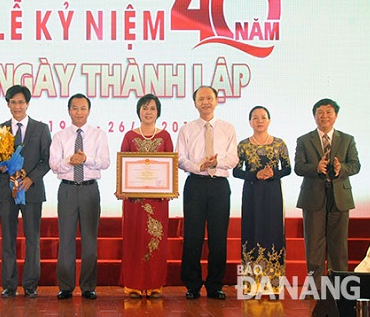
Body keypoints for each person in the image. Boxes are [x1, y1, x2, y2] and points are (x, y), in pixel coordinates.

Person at [176, 86, 238, 300]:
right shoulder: (186, 129)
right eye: (201, 98)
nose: (205, 102)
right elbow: (180, 159)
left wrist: (216, 162)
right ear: (195, 103)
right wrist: (199, 166)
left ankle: (215, 285)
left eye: (209, 98)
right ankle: (192, 285)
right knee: (192, 236)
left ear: (216, 101)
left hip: (219, 185)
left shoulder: (227, 128)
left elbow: (234, 158)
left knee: (218, 237)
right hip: (195, 184)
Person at [49, 93, 110, 300]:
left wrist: (86, 159)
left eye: (83, 108)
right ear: (68, 111)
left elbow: (105, 162)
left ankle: (88, 286)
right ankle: (65, 286)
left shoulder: (98, 135)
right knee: (65, 239)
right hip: (66, 189)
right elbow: (54, 165)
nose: (79, 112)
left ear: (89, 111)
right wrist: (70, 160)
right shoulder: (59, 136)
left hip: (89, 190)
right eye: (75, 108)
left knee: (90, 240)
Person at [295, 98, 360, 289]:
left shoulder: (347, 139)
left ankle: (339, 288)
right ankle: (314, 288)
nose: (324, 116)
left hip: (340, 197)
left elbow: (355, 165)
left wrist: (342, 169)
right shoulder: (304, 140)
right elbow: (299, 167)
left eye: (329, 112)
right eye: (320, 112)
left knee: (339, 246)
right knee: (313, 245)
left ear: (336, 116)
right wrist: (315, 168)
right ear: (314, 116)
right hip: (313, 197)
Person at [115, 94, 174, 299]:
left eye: (152, 109)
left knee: (155, 239)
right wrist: (121, 187)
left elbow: (170, 168)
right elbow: (122, 166)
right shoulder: (129, 136)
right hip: (134, 201)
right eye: (144, 108)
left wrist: (169, 188)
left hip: (158, 200)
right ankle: (133, 285)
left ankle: (155, 284)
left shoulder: (165, 136)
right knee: (135, 239)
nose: (148, 112)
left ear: (158, 112)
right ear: (138, 111)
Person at [0, 85, 52, 298]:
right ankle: (9, 285)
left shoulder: (40, 128)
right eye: (13, 102)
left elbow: (46, 160)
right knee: (8, 239)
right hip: (6, 192)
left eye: (21, 102)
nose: (17, 106)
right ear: (8, 104)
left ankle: (30, 285)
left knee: (32, 239)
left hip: (32, 191)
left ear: (27, 104)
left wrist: (30, 178)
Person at [233, 106, 291, 296]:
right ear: (250, 122)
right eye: (255, 118)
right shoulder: (243, 145)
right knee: (252, 231)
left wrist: (274, 173)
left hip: (273, 193)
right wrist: (254, 174)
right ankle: (251, 284)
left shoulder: (279, 143)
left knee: (273, 232)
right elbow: (235, 171)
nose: (259, 121)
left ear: (269, 120)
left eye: (263, 117)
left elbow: (288, 168)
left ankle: (274, 284)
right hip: (251, 192)